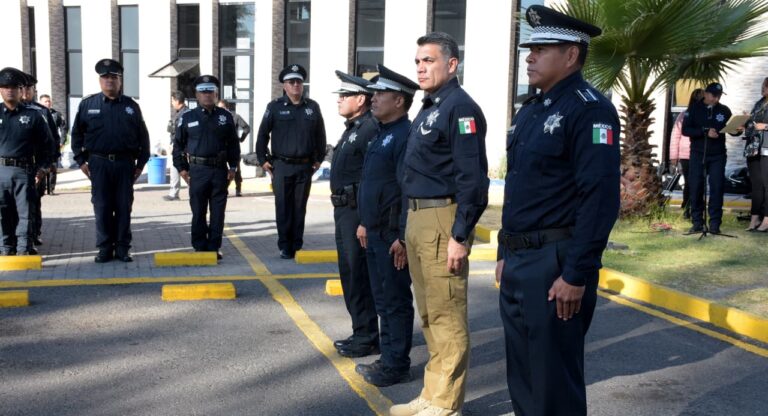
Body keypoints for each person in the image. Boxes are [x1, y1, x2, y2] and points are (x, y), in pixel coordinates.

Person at [495, 6, 620, 416]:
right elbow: (520, 190)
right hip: (519, 259)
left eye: (541, 49)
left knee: (554, 382)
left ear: (571, 55)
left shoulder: (589, 109)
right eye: (529, 49)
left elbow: (599, 198)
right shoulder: (532, 110)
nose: (529, 56)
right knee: (524, 376)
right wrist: (503, 252)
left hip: (554, 264)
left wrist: (576, 273)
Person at [393, 32, 489, 416]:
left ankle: (447, 404)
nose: (420, 67)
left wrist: (460, 235)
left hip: (442, 219)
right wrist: (404, 230)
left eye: (429, 60)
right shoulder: (428, 107)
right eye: (417, 61)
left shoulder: (460, 109)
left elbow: (473, 180)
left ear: (452, 64)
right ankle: (432, 394)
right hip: (418, 218)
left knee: (447, 313)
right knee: (430, 312)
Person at [355, 64, 418, 387]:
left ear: (399, 101)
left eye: (381, 93)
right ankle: (388, 357)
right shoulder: (383, 133)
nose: (373, 98)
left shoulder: (405, 135)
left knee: (394, 299)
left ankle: (397, 364)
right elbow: (373, 183)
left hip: (391, 234)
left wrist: (400, 236)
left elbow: (404, 190)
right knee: (382, 297)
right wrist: (365, 222)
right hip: (375, 230)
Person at [70, 59, 150, 263]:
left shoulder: (131, 106)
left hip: (124, 164)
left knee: (124, 207)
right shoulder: (88, 104)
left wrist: (140, 165)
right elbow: (76, 135)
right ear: (100, 81)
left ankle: (123, 248)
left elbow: (143, 138)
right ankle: (105, 248)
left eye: (113, 77)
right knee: (102, 206)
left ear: (120, 81)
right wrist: (81, 161)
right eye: (105, 77)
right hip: (98, 164)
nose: (109, 81)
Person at [327, 70, 380, 359]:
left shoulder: (369, 128)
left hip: (355, 210)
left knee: (358, 274)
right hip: (344, 210)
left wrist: (364, 220)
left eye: (345, 96)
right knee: (349, 273)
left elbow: (370, 179)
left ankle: (367, 335)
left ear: (361, 99)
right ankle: (361, 330)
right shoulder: (354, 128)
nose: (340, 100)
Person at [255, 64, 327, 259]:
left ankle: (297, 243)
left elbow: (320, 135)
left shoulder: (312, 107)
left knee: (299, 206)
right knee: (283, 206)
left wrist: (319, 159)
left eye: (299, 82)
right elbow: (262, 135)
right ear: (284, 86)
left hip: (305, 166)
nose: (296, 85)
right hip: (282, 165)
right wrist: (263, 160)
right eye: (291, 82)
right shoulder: (275, 107)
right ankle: (285, 245)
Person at [173, 76, 240, 260]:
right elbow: (178, 146)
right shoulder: (187, 117)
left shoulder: (225, 116)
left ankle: (214, 247)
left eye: (210, 91)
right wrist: (182, 169)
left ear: (216, 93)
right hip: (197, 170)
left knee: (218, 212)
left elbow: (234, 144)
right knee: (198, 211)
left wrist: (233, 166)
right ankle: (199, 246)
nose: (207, 95)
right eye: (203, 91)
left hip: (219, 171)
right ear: (196, 94)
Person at [0, 67, 52, 255]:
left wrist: (42, 168)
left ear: (21, 90)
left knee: (25, 213)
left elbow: (48, 146)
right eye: (5, 87)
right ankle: (5, 248)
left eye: (14, 87)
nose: (9, 90)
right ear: (0, 90)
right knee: (2, 213)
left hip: (24, 171)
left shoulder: (33, 115)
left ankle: (23, 248)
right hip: (0, 171)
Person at [682, 82, 732, 234]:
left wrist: (737, 129)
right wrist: (704, 131)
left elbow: (731, 129)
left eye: (718, 96)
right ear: (706, 94)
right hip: (698, 153)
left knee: (717, 188)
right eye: (713, 96)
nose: (716, 99)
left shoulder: (724, 110)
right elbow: (685, 130)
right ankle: (697, 222)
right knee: (696, 186)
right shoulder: (694, 109)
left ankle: (715, 224)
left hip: (718, 155)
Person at [20, 73, 59, 248]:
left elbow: (53, 139)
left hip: (36, 164)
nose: (25, 92)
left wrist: (48, 164)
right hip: (17, 165)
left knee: (34, 202)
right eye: (23, 88)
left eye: (29, 89)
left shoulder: (41, 111)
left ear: (33, 91)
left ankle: (34, 234)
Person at [670, 88, 704, 219]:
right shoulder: (684, 115)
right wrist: (674, 157)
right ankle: (687, 208)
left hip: (700, 153)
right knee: (690, 183)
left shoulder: (704, 115)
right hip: (686, 155)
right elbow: (675, 136)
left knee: (698, 182)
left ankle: (695, 208)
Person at [743, 77, 768, 231]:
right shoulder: (759, 104)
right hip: (753, 148)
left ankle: (766, 219)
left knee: (767, 185)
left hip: (766, 148)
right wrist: (745, 122)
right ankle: (754, 218)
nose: (763, 88)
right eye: (763, 85)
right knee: (756, 185)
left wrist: (765, 126)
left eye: (766, 86)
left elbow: (762, 125)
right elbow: (752, 124)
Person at [217, 99, 250, 197]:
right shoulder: (216, 117)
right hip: (222, 147)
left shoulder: (235, 116)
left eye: (221, 107)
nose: (219, 109)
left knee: (236, 168)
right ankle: (223, 188)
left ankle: (238, 189)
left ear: (226, 107)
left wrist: (241, 139)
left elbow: (247, 128)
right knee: (222, 168)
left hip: (233, 146)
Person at [163, 91, 189, 201]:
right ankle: (174, 193)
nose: (171, 103)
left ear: (178, 101)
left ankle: (195, 189)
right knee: (175, 167)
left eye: (172, 100)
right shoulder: (178, 113)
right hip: (176, 145)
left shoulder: (187, 114)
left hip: (184, 147)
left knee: (185, 169)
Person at [38, 93, 67, 195]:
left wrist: (62, 141)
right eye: (45, 101)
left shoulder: (56, 114)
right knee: (42, 167)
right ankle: (42, 188)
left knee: (53, 167)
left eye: (49, 101)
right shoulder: (37, 113)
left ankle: (51, 189)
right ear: (40, 102)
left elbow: (63, 128)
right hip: (41, 145)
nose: (48, 103)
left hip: (54, 145)